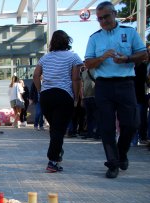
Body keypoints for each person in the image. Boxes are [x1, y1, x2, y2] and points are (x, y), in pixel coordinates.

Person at [84, 1, 147, 178]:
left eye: (106, 16)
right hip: (103, 85)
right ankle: (112, 163)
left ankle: (121, 153)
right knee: (106, 126)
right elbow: (88, 63)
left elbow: (143, 54)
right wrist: (102, 57)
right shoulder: (95, 38)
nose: (103, 21)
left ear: (114, 14)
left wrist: (127, 58)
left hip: (126, 83)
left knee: (132, 123)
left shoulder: (129, 32)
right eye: (99, 19)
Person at [33, 30, 83, 173]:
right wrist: (76, 96)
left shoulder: (45, 58)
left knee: (55, 127)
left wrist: (40, 91)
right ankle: (52, 161)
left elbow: (36, 75)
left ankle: (57, 153)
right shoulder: (73, 57)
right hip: (63, 94)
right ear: (68, 41)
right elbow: (76, 78)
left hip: (46, 96)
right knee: (59, 130)